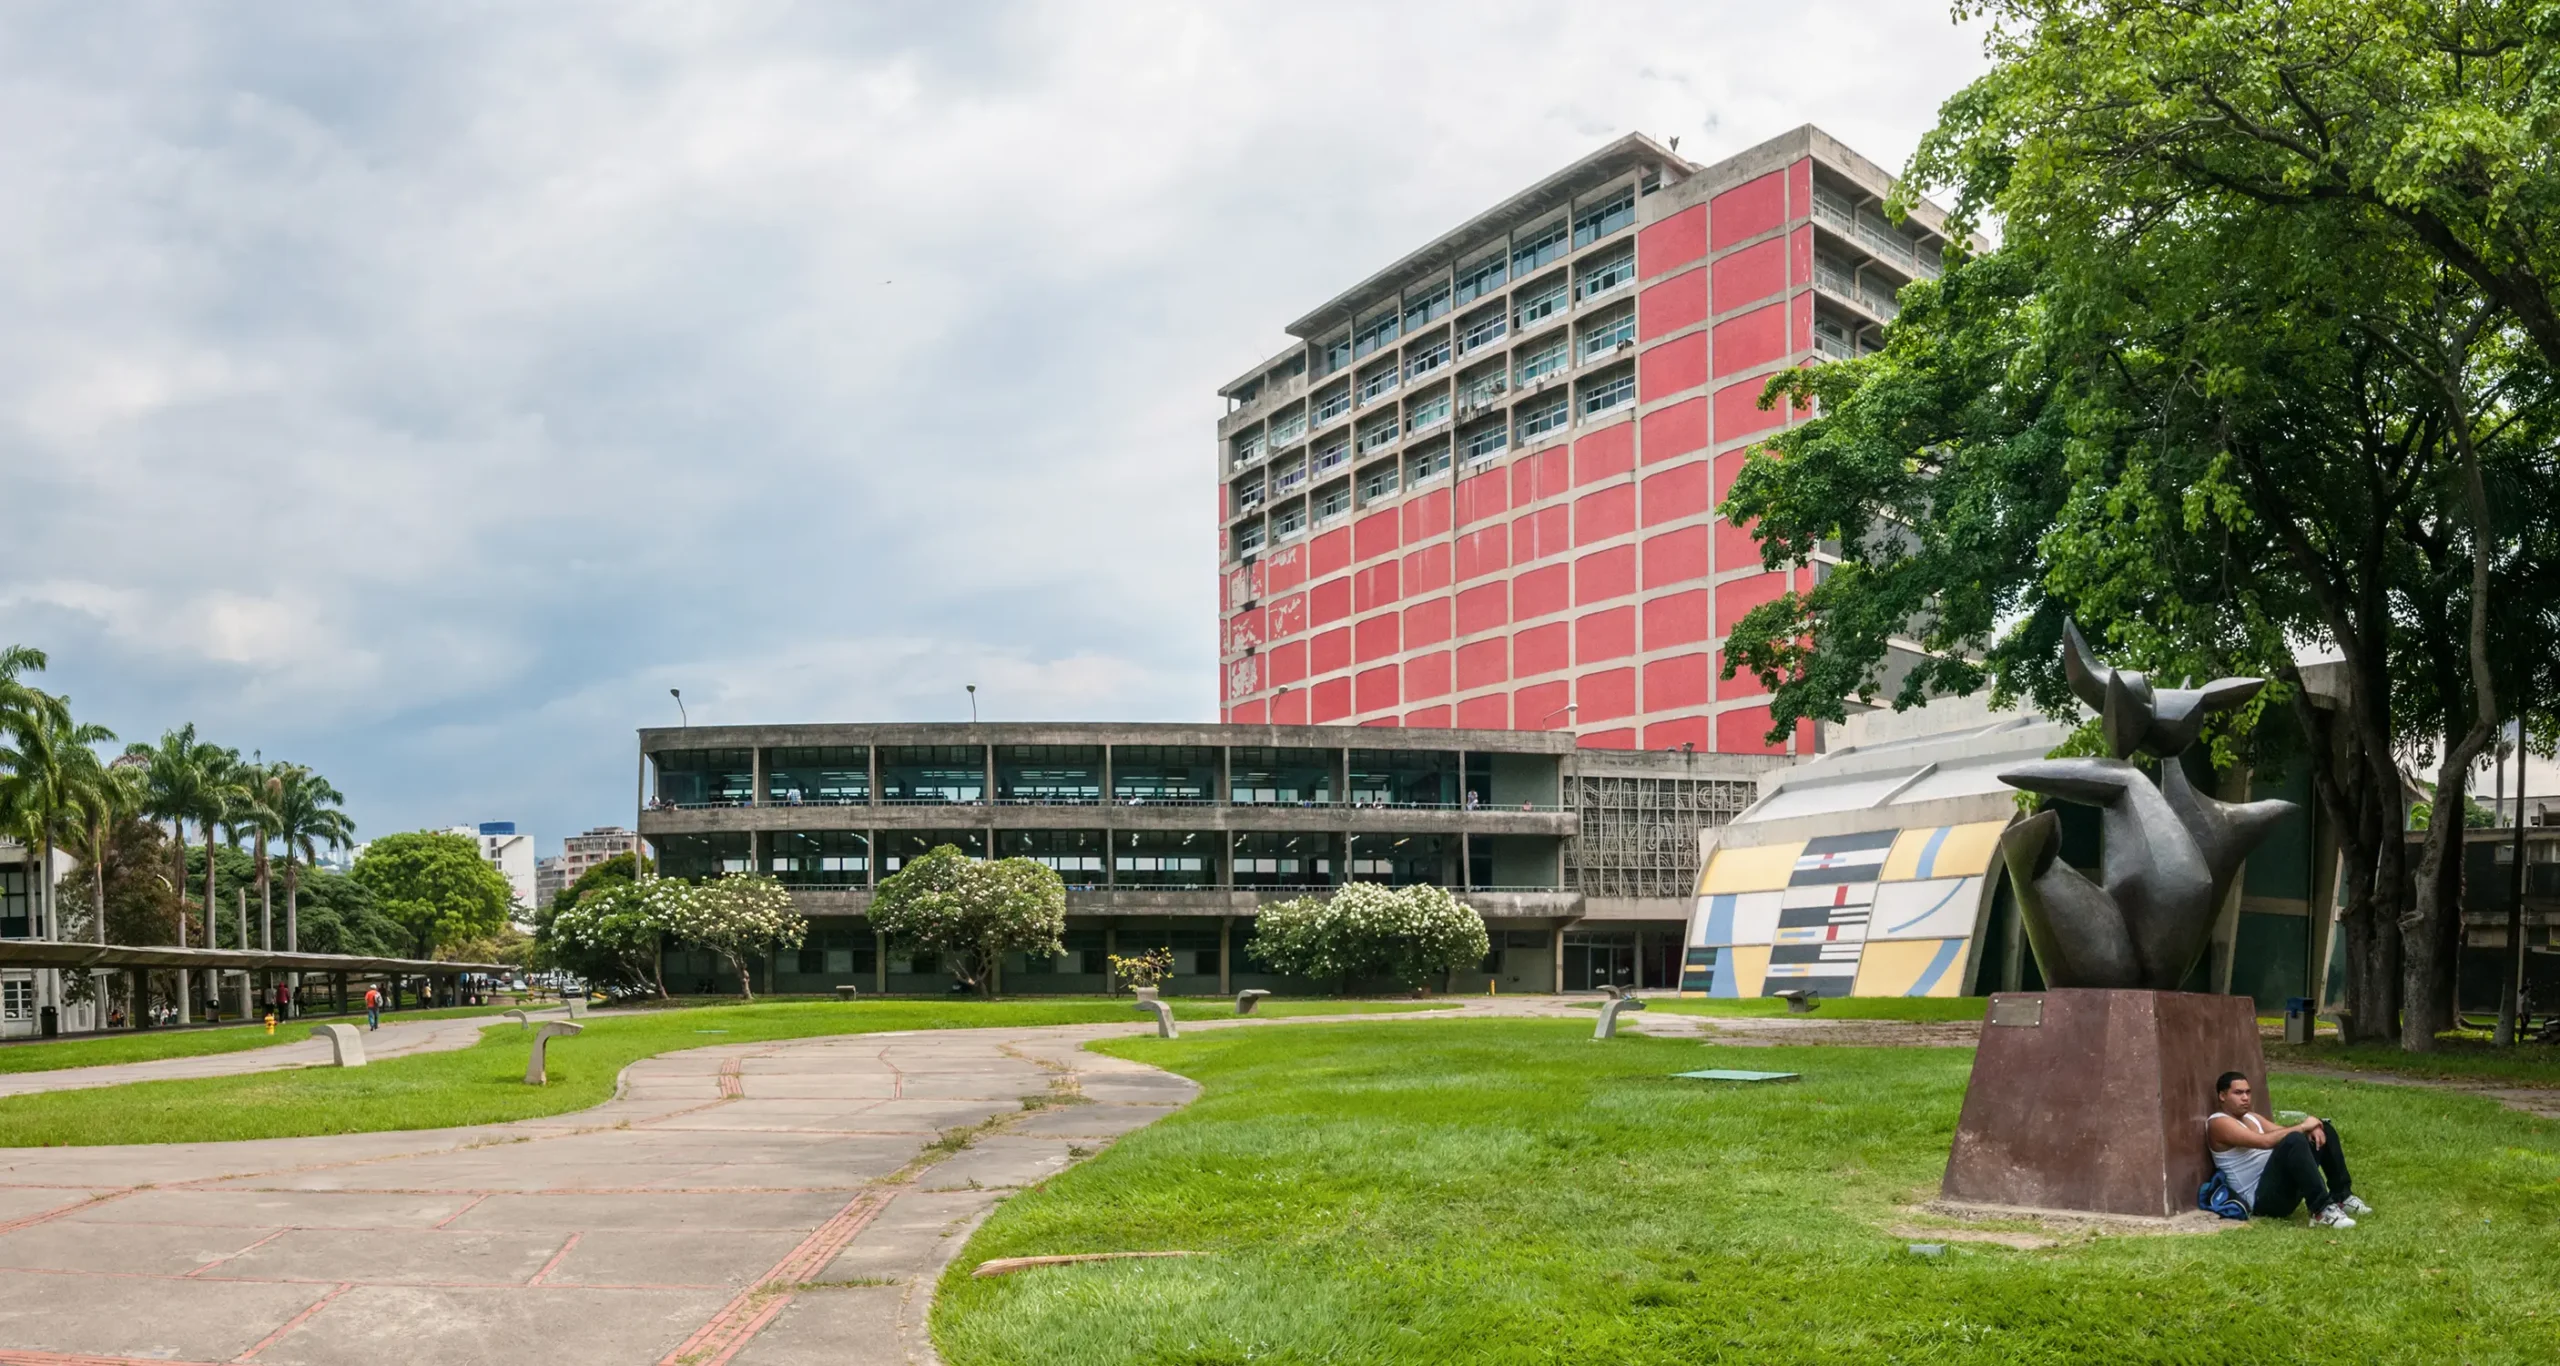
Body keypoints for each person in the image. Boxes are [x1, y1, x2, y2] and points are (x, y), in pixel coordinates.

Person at [2209, 1071, 2371, 1228]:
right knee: (2294, 1138)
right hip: (2261, 1200)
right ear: (2222, 1096)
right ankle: (2321, 1211)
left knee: (2324, 1130)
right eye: (2238, 1093)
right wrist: (2302, 1127)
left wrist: (2311, 1129)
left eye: (2248, 1092)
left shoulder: (2251, 1117)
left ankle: (2342, 1196)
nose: (2245, 1098)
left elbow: (2281, 1132)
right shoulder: (2218, 1123)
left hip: (2281, 1186)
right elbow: (2265, 1142)